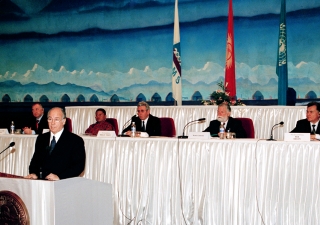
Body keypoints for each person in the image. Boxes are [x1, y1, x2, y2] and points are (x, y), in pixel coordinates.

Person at [25, 107, 86, 181]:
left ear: (63, 121)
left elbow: (78, 166)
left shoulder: (75, 140)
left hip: (64, 183)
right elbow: (35, 161)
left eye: (56, 119)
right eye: (50, 119)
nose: (52, 123)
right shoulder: (41, 138)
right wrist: (34, 173)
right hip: (42, 183)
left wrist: (60, 177)